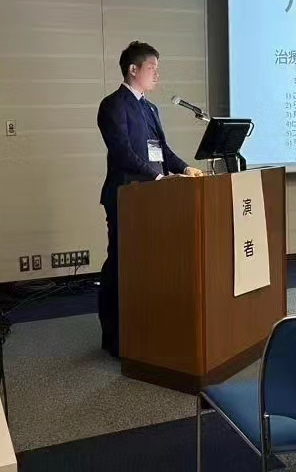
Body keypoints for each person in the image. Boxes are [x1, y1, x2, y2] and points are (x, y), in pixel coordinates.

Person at [97, 41, 203, 357]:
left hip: (155, 198)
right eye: (152, 68)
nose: (157, 74)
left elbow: (162, 151)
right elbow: (122, 152)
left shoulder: (150, 108)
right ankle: (115, 337)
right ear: (133, 69)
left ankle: (145, 328)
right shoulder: (113, 105)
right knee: (122, 264)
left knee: (150, 265)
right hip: (127, 196)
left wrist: (184, 168)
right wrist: (158, 178)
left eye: (158, 68)